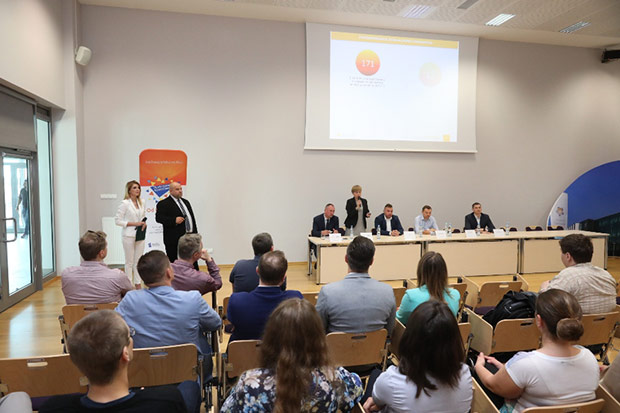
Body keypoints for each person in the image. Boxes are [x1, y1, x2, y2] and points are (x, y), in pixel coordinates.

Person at [40, 310, 197, 413]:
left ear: (74, 359)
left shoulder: (53, 408)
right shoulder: (166, 401)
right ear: (125, 354)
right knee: (191, 387)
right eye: (129, 336)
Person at [221, 299, 363, 412]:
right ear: (318, 338)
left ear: (271, 337)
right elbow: (357, 390)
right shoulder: (334, 379)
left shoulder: (251, 384)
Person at [474, 289, 599, 413]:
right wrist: (508, 370)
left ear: (539, 321)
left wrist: (478, 365)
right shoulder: (589, 357)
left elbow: (493, 385)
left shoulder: (526, 363)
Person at [115, 250, 221, 376]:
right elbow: (215, 323)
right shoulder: (192, 299)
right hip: (186, 373)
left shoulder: (130, 300)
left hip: (143, 374)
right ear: (169, 272)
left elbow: (113, 327)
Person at [364, 301, 472, 413]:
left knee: (375, 375)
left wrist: (377, 402)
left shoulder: (391, 381)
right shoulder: (465, 375)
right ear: (454, 341)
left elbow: (377, 401)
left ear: (410, 339)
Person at [316, 236, 396, 334]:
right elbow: (390, 331)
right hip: (376, 344)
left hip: (337, 344)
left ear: (346, 259)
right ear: (372, 261)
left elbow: (318, 331)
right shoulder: (387, 291)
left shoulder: (327, 292)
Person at [227, 250, 302, 342]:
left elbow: (231, 326)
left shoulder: (237, 301)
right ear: (284, 278)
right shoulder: (295, 299)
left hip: (244, 351)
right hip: (283, 351)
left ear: (257, 271)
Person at [540, 234, 616, 314]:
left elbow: (547, 304)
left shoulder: (567, 276)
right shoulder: (606, 275)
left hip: (577, 321)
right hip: (609, 321)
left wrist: (544, 289)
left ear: (568, 256)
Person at [61, 230, 133, 305]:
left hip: (76, 313)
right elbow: (130, 294)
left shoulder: (66, 275)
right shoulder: (117, 276)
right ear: (102, 253)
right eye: (106, 247)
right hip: (109, 313)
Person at [396, 251, 460, 324]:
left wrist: (399, 311)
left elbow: (399, 321)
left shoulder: (410, 297)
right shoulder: (455, 295)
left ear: (420, 272)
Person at [155, 181, 197, 265]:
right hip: (174, 239)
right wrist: (174, 220)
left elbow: (192, 219)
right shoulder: (163, 203)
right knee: (175, 262)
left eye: (181, 189)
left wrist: (195, 234)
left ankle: (193, 273)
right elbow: (159, 218)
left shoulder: (186, 202)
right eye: (177, 189)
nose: (180, 191)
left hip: (190, 237)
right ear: (171, 191)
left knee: (192, 261)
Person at [115, 180, 147, 289]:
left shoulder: (142, 202)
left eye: (138, 187)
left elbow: (142, 217)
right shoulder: (125, 203)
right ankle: (128, 284)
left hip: (140, 234)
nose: (137, 190)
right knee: (129, 262)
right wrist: (134, 223)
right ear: (129, 190)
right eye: (134, 188)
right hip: (128, 235)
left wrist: (143, 224)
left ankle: (138, 283)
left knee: (138, 261)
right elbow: (118, 221)